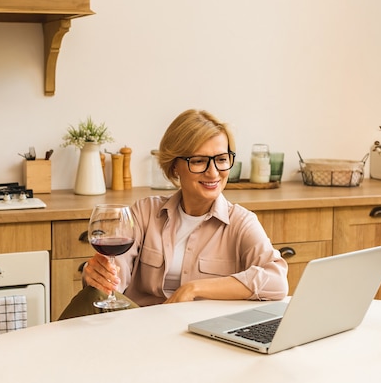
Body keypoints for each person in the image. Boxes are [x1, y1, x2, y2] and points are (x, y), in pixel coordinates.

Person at [59, 109, 288, 319]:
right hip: (139, 330)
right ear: (174, 166)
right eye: (198, 161)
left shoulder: (241, 222)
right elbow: (114, 285)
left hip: (202, 335)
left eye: (221, 160)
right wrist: (100, 277)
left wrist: (194, 288)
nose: (213, 172)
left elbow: (277, 281)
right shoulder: (144, 213)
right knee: (92, 298)